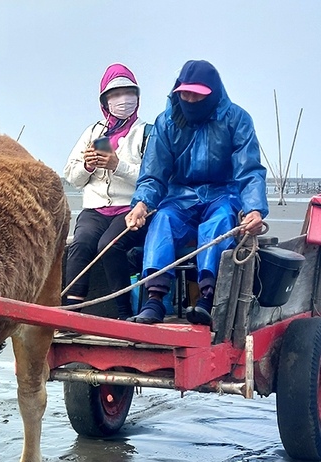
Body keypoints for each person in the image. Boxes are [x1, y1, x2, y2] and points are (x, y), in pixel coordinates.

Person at [126, 60, 267, 325]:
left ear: (212, 93)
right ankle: (154, 300)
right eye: (185, 93)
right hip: (180, 196)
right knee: (162, 220)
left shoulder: (236, 119)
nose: (189, 99)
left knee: (220, 221)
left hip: (222, 194)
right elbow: (154, 173)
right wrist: (142, 204)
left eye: (197, 94)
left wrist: (255, 209)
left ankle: (207, 298)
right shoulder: (166, 122)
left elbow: (249, 171)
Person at [63, 63, 150, 320]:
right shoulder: (95, 132)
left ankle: (124, 314)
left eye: (128, 92)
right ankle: (71, 313)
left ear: (137, 96)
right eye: (114, 94)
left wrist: (117, 165)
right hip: (96, 208)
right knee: (81, 244)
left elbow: (152, 178)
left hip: (131, 209)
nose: (122, 99)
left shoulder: (146, 132)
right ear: (105, 100)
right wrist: (88, 165)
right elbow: (72, 175)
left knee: (109, 245)